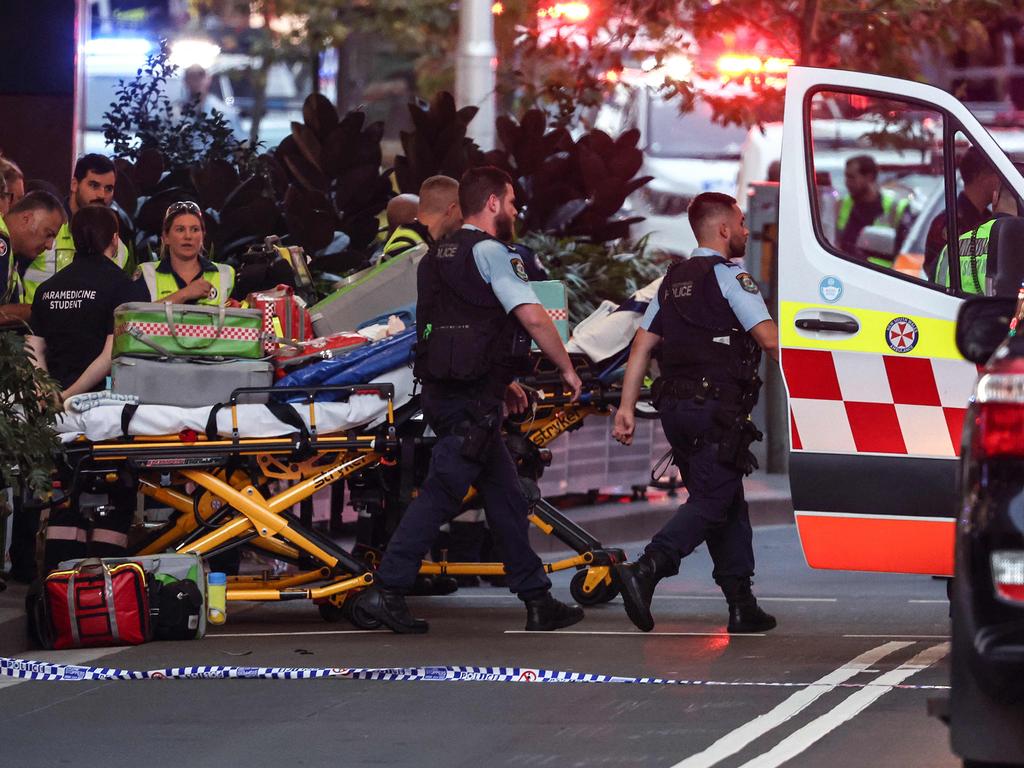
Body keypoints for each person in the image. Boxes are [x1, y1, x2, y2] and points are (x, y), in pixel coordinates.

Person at [355, 166, 585, 634]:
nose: (517, 209)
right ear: (493, 203)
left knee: (504, 494)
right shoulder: (491, 252)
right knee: (442, 492)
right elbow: (533, 317)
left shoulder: (433, 257)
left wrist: (502, 384)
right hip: (471, 404)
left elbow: (456, 331)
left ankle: (537, 598)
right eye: (513, 200)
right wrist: (566, 367)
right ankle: (388, 588)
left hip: (450, 392)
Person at [612, 191, 780, 635]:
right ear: (723, 229)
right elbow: (769, 339)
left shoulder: (672, 281)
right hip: (716, 410)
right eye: (741, 223)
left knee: (725, 497)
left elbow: (642, 345)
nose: (745, 230)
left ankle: (741, 603)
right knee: (712, 498)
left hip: (677, 409)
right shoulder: (731, 277)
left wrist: (626, 408)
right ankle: (649, 566)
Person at [26, 205, 143, 569]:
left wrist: (50, 392)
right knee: (115, 495)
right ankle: (106, 592)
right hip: (105, 411)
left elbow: (33, 349)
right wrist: (72, 394)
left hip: (54, 416)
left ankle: (59, 590)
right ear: (114, 240)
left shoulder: (47, 290)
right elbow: (111, 354)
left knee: (65, 498)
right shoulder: (125, 287)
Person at [21, 154, 129, 304]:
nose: (101, 195)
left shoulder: (118, 247)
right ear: (74, 184)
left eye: (108, 189)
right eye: (93, 185)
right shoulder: (43, 229)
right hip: (36, 323)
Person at [135, 201, 236, 305]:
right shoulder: (147, 274)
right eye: (180, 229)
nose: (188, 236)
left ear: (203, 235)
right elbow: (134, 316)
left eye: (195, 229)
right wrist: (185, 293)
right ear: (166, 237)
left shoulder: (226, 274)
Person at [924, 146, 1000, 280]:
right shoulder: (950, 223)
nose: (1001, 181)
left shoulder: (989, 219)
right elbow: (938, 273)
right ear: (982, 177)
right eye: (997, 174)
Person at [935, 180, 1020, 294]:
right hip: (998, 311)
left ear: (994, 197)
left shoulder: (951, 247)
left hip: (951, 311)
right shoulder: (1018, 243)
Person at [0, 191, 65, 326]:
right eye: (48, 234)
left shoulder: (13, 257)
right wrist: (41, 309)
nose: (49, 245)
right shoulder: (2, 243)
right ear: (26, 219)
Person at [836, 154, 911, 258]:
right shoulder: (843, 204)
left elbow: (904, 251)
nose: (847, 182)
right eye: (846, 177)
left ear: (869, 177)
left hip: (879, 271)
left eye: (851, 177)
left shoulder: (895, 208)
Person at [382, 176, 461, 259]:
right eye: (462, 208)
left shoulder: (426, 240)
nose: (462, 216)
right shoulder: (405, 246)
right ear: (451, 209)